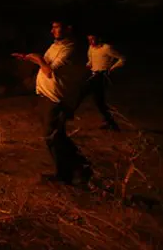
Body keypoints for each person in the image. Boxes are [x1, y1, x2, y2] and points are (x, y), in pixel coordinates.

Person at [13, 20, 90, 185]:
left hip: (56, 98)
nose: (52, 30)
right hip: (45, 96)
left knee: (52, 136)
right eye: (52, 27)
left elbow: (48, 70)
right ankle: (69, 172)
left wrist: (39, 60)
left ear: (69, 28)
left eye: (57, 27)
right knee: (55, 136)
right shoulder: (55, 45)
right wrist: (28, 58)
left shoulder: (70, 48)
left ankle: (79, 167)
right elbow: (44, 62)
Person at [79, 33, 125, 131]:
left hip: (101, 76)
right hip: (93, 74)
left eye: (93, 39)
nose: (91, 42)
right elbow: (91, 60)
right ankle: (111, 122)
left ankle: (65, 115)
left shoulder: (106, 48)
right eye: (89, 40)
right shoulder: (91, 48)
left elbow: (122, 59)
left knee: (82, 93)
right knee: (99, 101)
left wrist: (112, 69)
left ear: (99, 38)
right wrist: (88, 64)